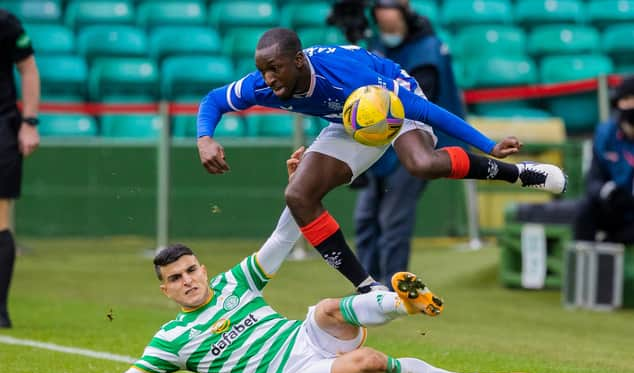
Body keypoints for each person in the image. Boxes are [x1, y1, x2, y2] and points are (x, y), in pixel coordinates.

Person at [33, 149, 533, 373]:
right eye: (176, 278)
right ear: (164, 290)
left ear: (202, 269)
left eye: (190, 270)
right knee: (369, 362)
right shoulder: (172, 340)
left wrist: (298, 187)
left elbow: (281, 240)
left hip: (304, 335)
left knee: (326, 308)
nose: (187, 280)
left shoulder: (234, 283)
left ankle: (403, 302)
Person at [196, 27, 567, 294]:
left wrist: (488, 143)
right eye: (263, 69)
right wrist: (205, 138)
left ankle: (519, 174)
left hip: (387, 99)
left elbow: (426, 109)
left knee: (419, 163)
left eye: (275, 68)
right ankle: (367, 287)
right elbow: (214, 99)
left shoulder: (348, 76)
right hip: (349, 118)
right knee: (298, 195)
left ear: (298, 60)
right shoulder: (262, 85)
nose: (268, 78)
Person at [353, 0, 468, 286]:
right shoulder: (376, 43)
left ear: (403, 15)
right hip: (379, 142)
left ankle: (393, 290)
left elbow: (416, 105)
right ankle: (367, 288)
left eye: (390, 21)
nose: (385, 28)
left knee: (394, 221)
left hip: (416, 142)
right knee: (366, 219)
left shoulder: (428, 50)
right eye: (380, 21)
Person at [0, 9, 40, 328]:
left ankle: (0, 311)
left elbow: (28, 70)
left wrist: (29, 123)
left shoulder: (6, 22)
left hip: (2, 127)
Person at [574, 75, 634, 243]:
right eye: (627, 99)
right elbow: (593, 181)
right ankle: (582, 265)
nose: (631, 104)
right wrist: (609, 192)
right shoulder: (605, 134)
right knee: (585, 211)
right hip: (614, 208)